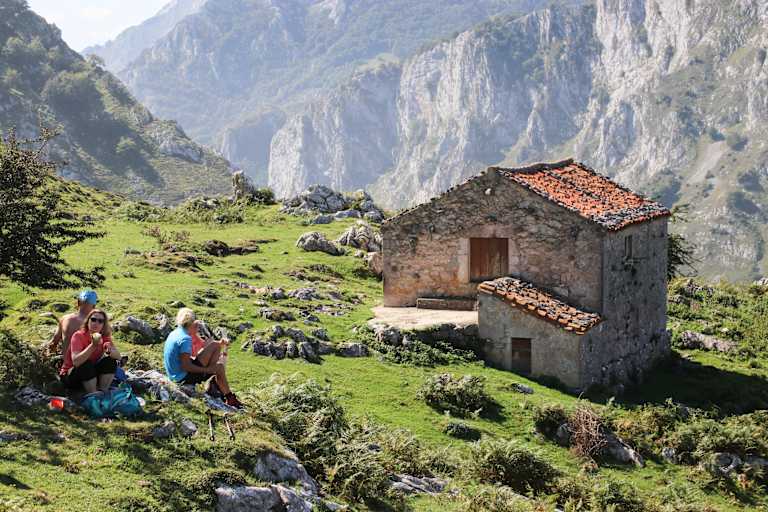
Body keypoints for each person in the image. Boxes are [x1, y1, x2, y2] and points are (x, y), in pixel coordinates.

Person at [163, 308, 243, 409]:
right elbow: (186, 366)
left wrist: (219, 344)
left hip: (174, 373)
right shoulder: (185, 339)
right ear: (191, 323)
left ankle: (213, 381)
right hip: (182, 378)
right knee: (219, 368)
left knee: (215, 345)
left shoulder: (176, 332)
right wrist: (207, 370)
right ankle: (229, 398)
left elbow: (189, 357)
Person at [59, 309, 121, 394]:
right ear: (88, 321)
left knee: (110, 361)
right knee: (86, 364)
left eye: (100, 321)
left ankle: (103, 391)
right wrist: (93, 345)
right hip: (70, 375)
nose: (96, 323)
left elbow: (119, 357)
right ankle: (93, 394)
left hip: (89, 373)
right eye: (93, 319)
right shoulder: (78, 336)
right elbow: (76, 362)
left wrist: (110, 351)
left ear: (103, 325)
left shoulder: (104, 337)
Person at [44, 290, 103, 360]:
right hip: (86, 365)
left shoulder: (64, 318)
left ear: (78, 302)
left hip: (67, 364)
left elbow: (53, 342)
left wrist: (46, 359)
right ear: (94, 306)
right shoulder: (95, 323)